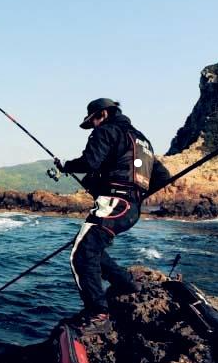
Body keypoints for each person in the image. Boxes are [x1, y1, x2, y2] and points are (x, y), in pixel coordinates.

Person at [54, 98, 170, 333]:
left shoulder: (106, 131)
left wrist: (65, 165)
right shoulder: (142, 141)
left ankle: (98, 315)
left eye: (94, 120)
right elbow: (163, 177)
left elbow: (90, 161)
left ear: (103, 114)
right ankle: (126, 283)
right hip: (131, 209)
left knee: (81, 254)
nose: (94, 126)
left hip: (114, 204)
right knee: (93, 249)